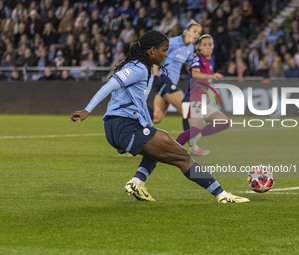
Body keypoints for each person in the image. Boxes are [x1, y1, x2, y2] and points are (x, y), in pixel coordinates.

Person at [69, 30, 249, 204]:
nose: (166, 54)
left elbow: (137, 103)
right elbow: (110, 85)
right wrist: (87, 110)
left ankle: (137, 182)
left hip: (118, 127)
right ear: (152, 50)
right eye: (164, 50)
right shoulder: (138, 68)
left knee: (158, 145)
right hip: (125, 126)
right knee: (182, 157)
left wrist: (140, 132)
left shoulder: (141, 67)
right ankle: (222, 194)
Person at [176, 34, 228, 156]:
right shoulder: (197, 59)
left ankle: (192, 145)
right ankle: (173, 147)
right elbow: (195, 73)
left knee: (224, 122)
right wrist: (212, 76)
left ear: (213, 46)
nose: (208, 47)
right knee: (194, 130)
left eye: (210, 45)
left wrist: (207, 93)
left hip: (200, 100)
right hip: (192, 101)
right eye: (204, 45)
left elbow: (205, 82)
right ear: (199, 47)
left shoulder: (211, 61)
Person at [152, 20, 202, 124]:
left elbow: (189, 65)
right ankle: (192, 139)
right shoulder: (173, 42)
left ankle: (131, 114)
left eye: (199, 33)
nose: (196, 35)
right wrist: (156, 77)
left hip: (171, 82)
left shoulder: (190, 48)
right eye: (194, 31)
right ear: (187, 31)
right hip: (165, 79)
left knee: (156, 118)